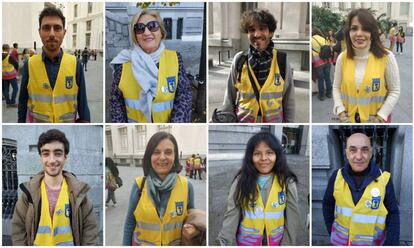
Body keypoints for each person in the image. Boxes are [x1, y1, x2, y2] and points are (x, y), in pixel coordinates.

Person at [11, 129, 98, 245]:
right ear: (41, 157)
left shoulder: (78, 193)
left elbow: (90, 231)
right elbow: (18, 230)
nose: (52, 160)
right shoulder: (28, 194)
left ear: (65, 157)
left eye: (58, 153)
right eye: (46, 153)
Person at [218, 132, 300, 245]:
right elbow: (232, 214)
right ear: (250, 157)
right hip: (247, 242)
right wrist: (222, 242)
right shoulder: (240, 181)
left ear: (277, 155)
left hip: (277, 242)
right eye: (257, 154)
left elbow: (292, 218)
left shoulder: (287, 182)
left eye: (269, 153)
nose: (264, 158)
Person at [110, 9, 191, 123]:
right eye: (140, 28)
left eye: (152, 26)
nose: (146, 32)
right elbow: (116, 105)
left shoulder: (175, 58)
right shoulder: (123, 64)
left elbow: (184, 99)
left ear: (161, 32)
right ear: (135, 36)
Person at [218, 9, 295, 123]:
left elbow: (289, 100)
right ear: (247, 33)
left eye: (262, 29)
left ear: (270, 32)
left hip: (272, 125)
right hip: (243, 123)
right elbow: (229, 97)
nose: (257, 34)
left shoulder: (282, 60)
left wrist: (290, 122)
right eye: (252, 30)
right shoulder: (239, 60)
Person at [322, 133, 399, 245]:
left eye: (364, 150)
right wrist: (332, 232)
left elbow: (393, 213)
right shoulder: (336, 176)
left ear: (371, 153)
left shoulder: (384, 179)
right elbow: (327, 205)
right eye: (353, 150)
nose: (359, 156)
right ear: (347, 153)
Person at [18, 6, 90, 123]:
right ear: (39, 31)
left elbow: (83, 104)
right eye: (46, 28)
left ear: (64, 32)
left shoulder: (75, 64)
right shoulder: (29, 64)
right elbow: (22, 101)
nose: (52, 34)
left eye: (57, 28)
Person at [123, 132, 195, 245]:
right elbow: (129, 224)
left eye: (168, 152)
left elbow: (192, 221)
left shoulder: (187, 186)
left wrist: (193, 230)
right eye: (156, 152)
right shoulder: (139, 185)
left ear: (175, 156)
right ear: (149, 156)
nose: (162, 157)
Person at [332, 8, 400, 123]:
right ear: (349, 32)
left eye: (365, 29)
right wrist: (340, 110)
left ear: (372, 33)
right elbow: (336, 87)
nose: (359, 34)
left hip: (377, 122)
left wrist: (381, 116)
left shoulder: (387, 57)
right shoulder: (342, 58)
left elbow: (395, 90)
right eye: (354, 29)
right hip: (348, 121)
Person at [312, 27, 333, 101]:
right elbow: (330, 49)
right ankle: (329, 93)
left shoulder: (312, 40)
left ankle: (321, 96)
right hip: (327, 60)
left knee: (320, 79)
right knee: (327, 77)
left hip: (318, 62)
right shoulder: (323, 38)